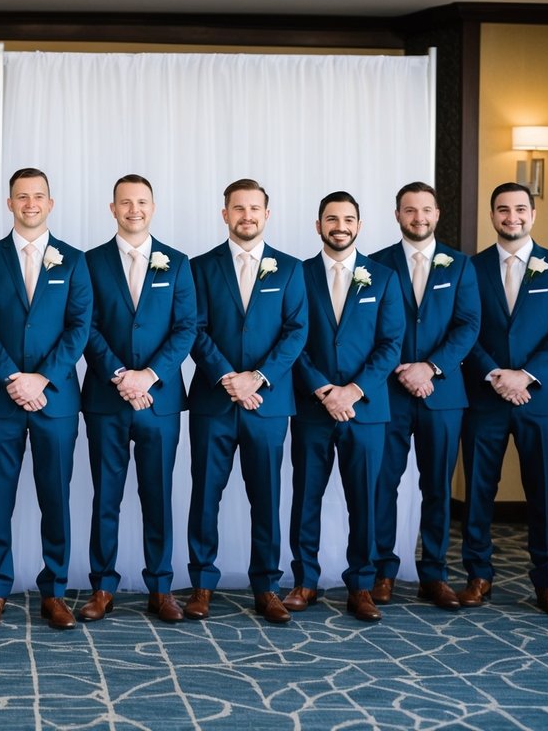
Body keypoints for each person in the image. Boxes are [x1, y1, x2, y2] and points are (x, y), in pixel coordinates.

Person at [0, 167, 92, 630]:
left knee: (55, 497)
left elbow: (79, 327)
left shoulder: (73, 261)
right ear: (9, 203)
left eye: (38, 196)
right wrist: (12, 378)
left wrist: (41, 378)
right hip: (0, 400)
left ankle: (55, 591)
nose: (30, 203)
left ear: (50, 202)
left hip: (55, 400)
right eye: (22, 196)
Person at [186, 179, 307, 624]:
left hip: (269, 404)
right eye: (238, 208)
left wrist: (257, 378)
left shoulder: (290, 270)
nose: (247, 216)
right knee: (205, 496)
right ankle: (201, 585)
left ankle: (267, 587)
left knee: (267, 496)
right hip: (214, 403)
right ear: (225, 215)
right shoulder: (199, 267)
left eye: (255, 208)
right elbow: (194, 329)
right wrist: (227, 379)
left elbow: (296, 332)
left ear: (267, 214)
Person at [460, 182, 548, 619]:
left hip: (540, 400)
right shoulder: (470, 270)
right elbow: (464, 330)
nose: (512, 217)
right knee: (478, 492)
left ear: (533, 213)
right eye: (503, 210)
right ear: (492, 215)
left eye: (520, 209)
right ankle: (478, 575)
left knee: (543, 494)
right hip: (484, 398)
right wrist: (496, 375)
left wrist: (524, 376)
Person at [79, 174, 195, 624]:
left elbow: (186, 327)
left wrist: (148, 376)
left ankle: (161, 587)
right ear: (112, 208)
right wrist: (120, 375)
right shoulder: (89, 262)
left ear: (153, 207)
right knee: (106, 496)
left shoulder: (178, 263)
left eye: (141, 202)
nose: (133, 210)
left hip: (160, 400)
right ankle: (102, 587)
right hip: (107, 400)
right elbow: (85, 325)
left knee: (157, 495)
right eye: (125, 203)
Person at [286, 191, 403, 623]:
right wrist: (322, 389)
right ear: (318, 225)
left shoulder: (384, 277)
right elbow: (293, 338)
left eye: (348, 218)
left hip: (366, 409)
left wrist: (352, 391)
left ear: (359, 225)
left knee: (365, 500)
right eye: (331, 218)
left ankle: (362, 586)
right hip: (313, 408)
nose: (340, 225)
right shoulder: (298, 274)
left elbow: (391, 345)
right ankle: (305, 582)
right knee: (306, 498)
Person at [369, 182, 479, 610]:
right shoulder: (377, 264)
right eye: (410, 210)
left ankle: (434, 573)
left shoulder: (461, 266)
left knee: (437, 487)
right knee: (384, 484)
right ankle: (383, 571)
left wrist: (430, 367)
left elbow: (467, 325)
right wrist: (402, 369)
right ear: (397, 215)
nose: (419, 217)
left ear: (437, 214)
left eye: (426, 210)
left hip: (443, 393)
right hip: (389, 394)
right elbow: (372, 326)